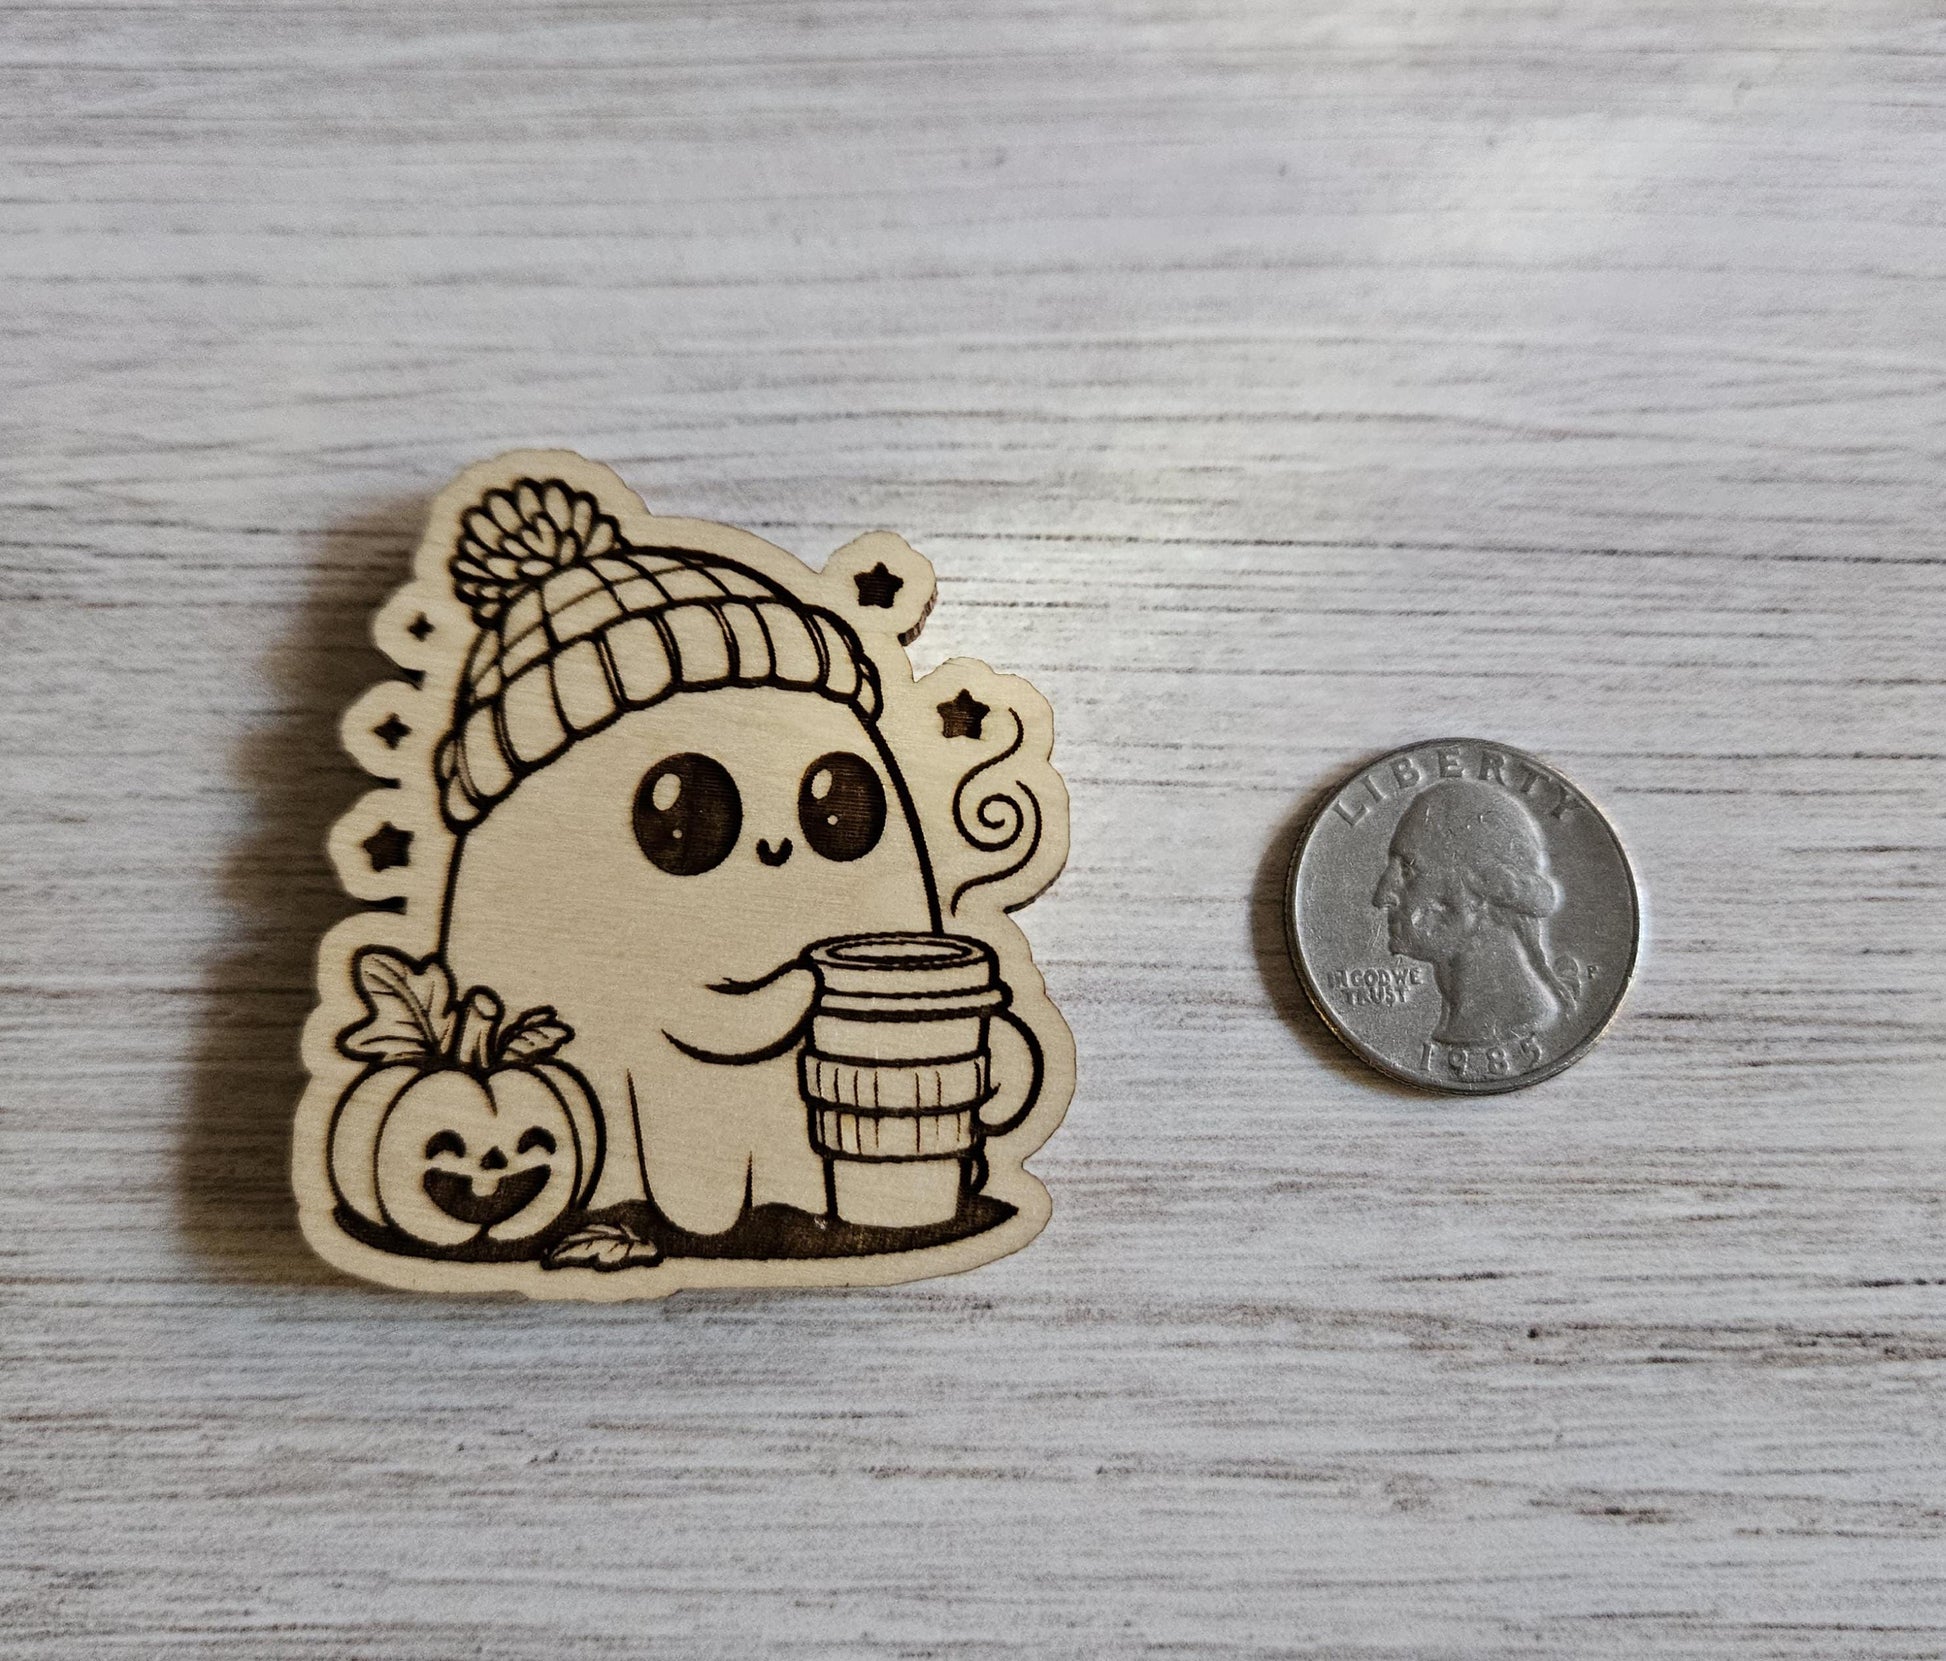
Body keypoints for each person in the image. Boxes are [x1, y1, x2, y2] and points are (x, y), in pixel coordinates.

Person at [1371, 780, 1577, 1048]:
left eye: (1409, 871)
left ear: (1482, 887)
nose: (1382, 897)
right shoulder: (1464, 1021)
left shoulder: (1517, 1019)